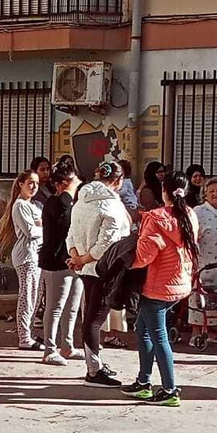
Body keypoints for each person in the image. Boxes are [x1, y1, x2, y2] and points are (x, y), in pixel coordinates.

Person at [123, 172, 201, 408]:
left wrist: (124, 262)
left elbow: (145, 255)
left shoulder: (156, 217)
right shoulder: (189, 214)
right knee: (144, 329)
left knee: (158, 335)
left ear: (163, 191)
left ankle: (169, 389)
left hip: (158, 285)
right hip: (179, 282)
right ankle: (144, 381)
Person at [67, 159, 130, 386]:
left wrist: (76, 257)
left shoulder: (80, 200)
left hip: (85, 267)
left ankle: (95, 364)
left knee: (90, 315)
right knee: (95, 318)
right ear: (119, 180)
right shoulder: (112, 205)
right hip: (104, 268)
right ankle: (93, 370)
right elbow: (108, 244)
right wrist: (83, 259)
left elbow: (71, 234)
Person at [38, 162, 82, 366]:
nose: (79, 183)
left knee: (72, 307)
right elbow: (64, 216)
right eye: (74, 180)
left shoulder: (74, 203)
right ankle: (49, 349)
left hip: (74, 261)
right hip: (56, 261)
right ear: (63, 183)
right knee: (55, 307)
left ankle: (67, 345)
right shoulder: (56, 203)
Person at [0, 170, 43, 351]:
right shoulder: (20, 205)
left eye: (36, 183)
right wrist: (42, 225)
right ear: (21, 184)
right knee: (27, 296)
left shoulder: (35, 205)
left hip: (36, 255)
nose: (33, 187)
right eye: (30, 182)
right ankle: (24, 336)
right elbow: (31, 232)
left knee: (36, 296)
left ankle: (28, 332)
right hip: (26, 256)